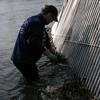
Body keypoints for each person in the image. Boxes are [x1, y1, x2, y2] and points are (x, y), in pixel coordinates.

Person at [11, 5, 59, 82]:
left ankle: (27, 91)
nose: (52, 21)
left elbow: (45, 36)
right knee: (34, 81)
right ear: (49, 14)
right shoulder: (36, 23)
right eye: (52, 18)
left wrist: (52, 50)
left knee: (30, 80)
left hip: (20, 57)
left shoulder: (36, 20)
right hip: (24, 60)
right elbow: (34, 43)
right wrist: (49, 54)